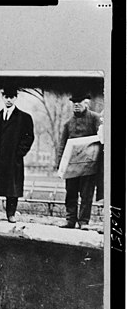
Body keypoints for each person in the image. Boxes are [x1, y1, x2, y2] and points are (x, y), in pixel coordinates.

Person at [0, 87, 35, 223]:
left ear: (16, 98)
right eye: (6, 97)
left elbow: (29, 137)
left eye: (11, 97)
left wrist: (19, 153)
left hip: (12, 159)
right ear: (2, 98)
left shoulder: (24, 117)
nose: (9, 100)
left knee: (12, 188)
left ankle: (11, 214)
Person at [58, 92, 102, 229]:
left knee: (86, 194)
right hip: (72, 166)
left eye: (80, 101)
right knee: (70, 193)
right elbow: (62, 145)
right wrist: (60, 164)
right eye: (74, 102)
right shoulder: (68, 124)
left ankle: (83, 221)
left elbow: (102, 139)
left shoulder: (95, 118)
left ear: (86, 102)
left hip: (90, 165)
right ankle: (70, 220)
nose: (76, 104)